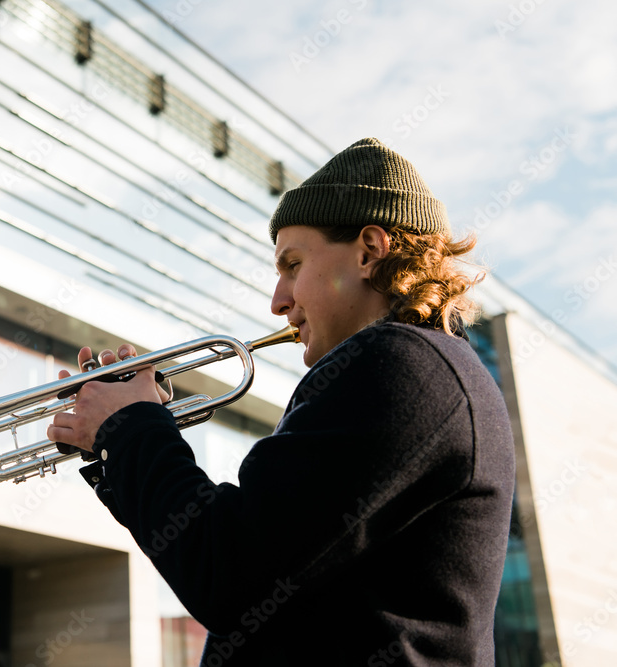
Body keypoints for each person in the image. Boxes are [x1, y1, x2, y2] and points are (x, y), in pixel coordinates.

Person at [47, 137, 515, 665]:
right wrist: (117, 439)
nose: (278, 301)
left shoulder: (401, 364)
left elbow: (228, 571)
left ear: (369, 250)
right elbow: (253, 566)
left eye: (292, 265)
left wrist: (132, 428)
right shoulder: (417, 369)